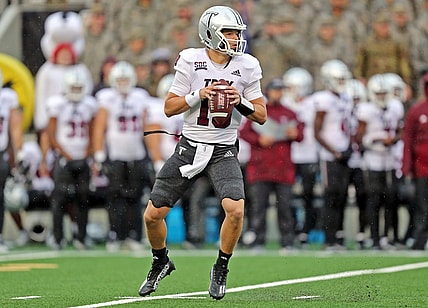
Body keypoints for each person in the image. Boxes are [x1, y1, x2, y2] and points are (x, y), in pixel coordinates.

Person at [138, 5, 266, 300]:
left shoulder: (246, 65)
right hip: (189, 147)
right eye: (230, 32)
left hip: (223, 149)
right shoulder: (191, 61)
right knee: (152, 216)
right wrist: (199, 95)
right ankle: (161, 260)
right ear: (211, 33)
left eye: (237, 33)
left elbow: (261, 115)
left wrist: (241, 101)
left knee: (235, 209)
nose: (235, 38)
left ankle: (221, 266)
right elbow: (169, 107)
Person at [92, 61, 163, 252]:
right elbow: (100, 127)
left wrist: (154, 157)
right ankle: (116, 235)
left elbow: (147, 127)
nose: (123, 83)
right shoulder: (106, 98)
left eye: (126, 79)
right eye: (120, 79)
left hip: (137, 154)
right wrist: (99, 154)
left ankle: (134, 235)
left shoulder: (141, 97)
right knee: (115, 197)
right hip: (116, 154)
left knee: (136, 196)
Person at [239, 78, 303, 252]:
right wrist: (259, 139)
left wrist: (294, 134)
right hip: (261, 168)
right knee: (258, 207)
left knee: (285, 207)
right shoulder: (259, 111)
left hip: (284, 168)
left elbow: (301, 134)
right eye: (275, 90)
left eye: (280, 90)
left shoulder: (289, 113)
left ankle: (288, 241)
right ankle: (258, 241)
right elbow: (244, 132)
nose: (278, 93)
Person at [46, 66, 98, 250]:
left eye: (79, 88)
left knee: (83, 198)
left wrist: (89, 151)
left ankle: (81, 237)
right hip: (64, 158)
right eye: (73, 88)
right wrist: (64, 153)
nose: (76, 91)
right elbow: (51, 134)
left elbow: (93, 131)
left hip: (82, 157)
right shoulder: (57, 103)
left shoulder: (89, 104)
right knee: (59, 198)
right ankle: (58, 237)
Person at [355, 74, 404, 250]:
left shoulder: (395, 107)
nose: (382, 97)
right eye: (379, 93)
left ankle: (387, 236)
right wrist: (375, 139)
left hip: (389, 158)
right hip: (372, 159)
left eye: (384, 93)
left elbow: (400, 130)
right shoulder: (365, 109)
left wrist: (393, 139)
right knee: (374, 199)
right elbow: (359, 138)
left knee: (390, 198)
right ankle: (374, 237)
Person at [313, 59, 353, 250]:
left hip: (344, 153)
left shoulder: (345, 97)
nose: (342, 81)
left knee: (343, 196)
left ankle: (339, 235)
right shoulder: (323, 99)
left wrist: (347, 148)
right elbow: (317, 132)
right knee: (331, 196)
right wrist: (334, 151)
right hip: (330, 156)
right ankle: (329, 238)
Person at [281, 67, 319, 246]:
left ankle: (306, 230)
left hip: (308, 154)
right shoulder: (284, 103)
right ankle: (292, 228)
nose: (290, 91)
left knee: (308, 195)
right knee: (287, 196)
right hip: (289, 155)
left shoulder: (314, 103)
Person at [402, 72, 428, 250]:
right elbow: (408, 140)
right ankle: (420, 239)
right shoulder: (416, 111)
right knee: (422, 206)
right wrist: (407, 166)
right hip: (422, 167)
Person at [0, 68, 24, 253]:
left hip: (1, 153)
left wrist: (15, 157)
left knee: (0, 197)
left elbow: (12, 129)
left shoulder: (6, 98)